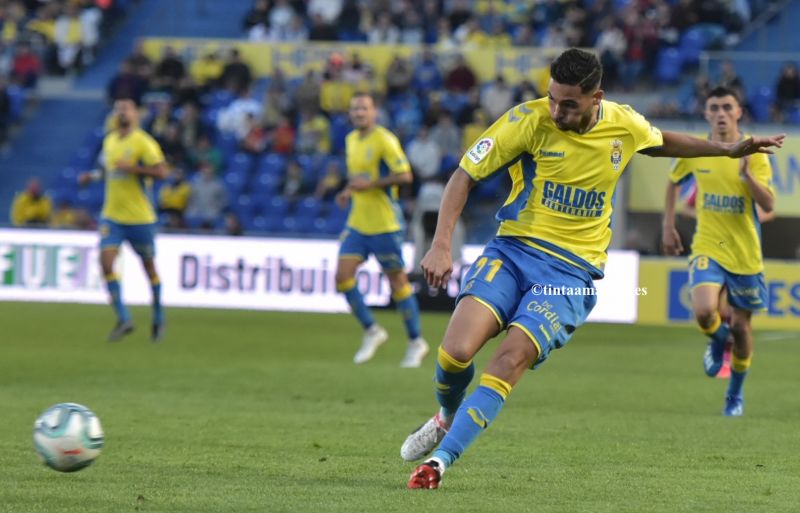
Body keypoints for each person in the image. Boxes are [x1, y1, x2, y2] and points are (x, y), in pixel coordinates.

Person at [401, 48, 784, 490]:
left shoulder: (623, 123)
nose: (558, 111)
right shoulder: (528, 119)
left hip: (570, 276)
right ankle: (447, 416)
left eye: (569, 104)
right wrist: (441, 244)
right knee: (455, 353)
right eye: (552, 99)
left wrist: (725, 150)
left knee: (511, 358)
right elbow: (464, 175)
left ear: (595, 97)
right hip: (512, 252)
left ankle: (439, 463)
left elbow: (661, 143)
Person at [662, 86, 776, 417]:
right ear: (706, 114)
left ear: (740, 112)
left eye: (728, 107)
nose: (721, 113)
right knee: (703, 310)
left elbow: (769, 203)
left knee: (742, 329)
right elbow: (672, 182)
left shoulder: (754, 151)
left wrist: (747, 177)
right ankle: (717, 340)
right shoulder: (699, 150)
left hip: (744, 253)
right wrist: (668, 226)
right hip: (708, 244)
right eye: (715, 107)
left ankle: (734, 396)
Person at [335, 91, 429, 368]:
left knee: (397, 283)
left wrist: (372, 184)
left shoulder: (385, 140)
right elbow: (358, 178)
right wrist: (347, 190)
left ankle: (416, 342)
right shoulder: (351, 140)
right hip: (357, 223)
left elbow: (405, 175)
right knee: (342, 277)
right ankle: (372, 331)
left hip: (385, 224)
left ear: (375, 111)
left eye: (363, 108)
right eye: (354, 109)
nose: (359, 113)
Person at [79, 98, 169, 342]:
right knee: (106, 263)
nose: (121, 112)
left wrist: (133, 169)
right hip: (113, 216)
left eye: (126, 108)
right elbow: (109, 170)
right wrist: (92, 176)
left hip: (140, 217)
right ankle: (123, 318)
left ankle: (159, 317)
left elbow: (162, 172)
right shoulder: (109, 141)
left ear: (136, 114)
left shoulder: (143, 142)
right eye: (118, 108)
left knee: (149, 268)